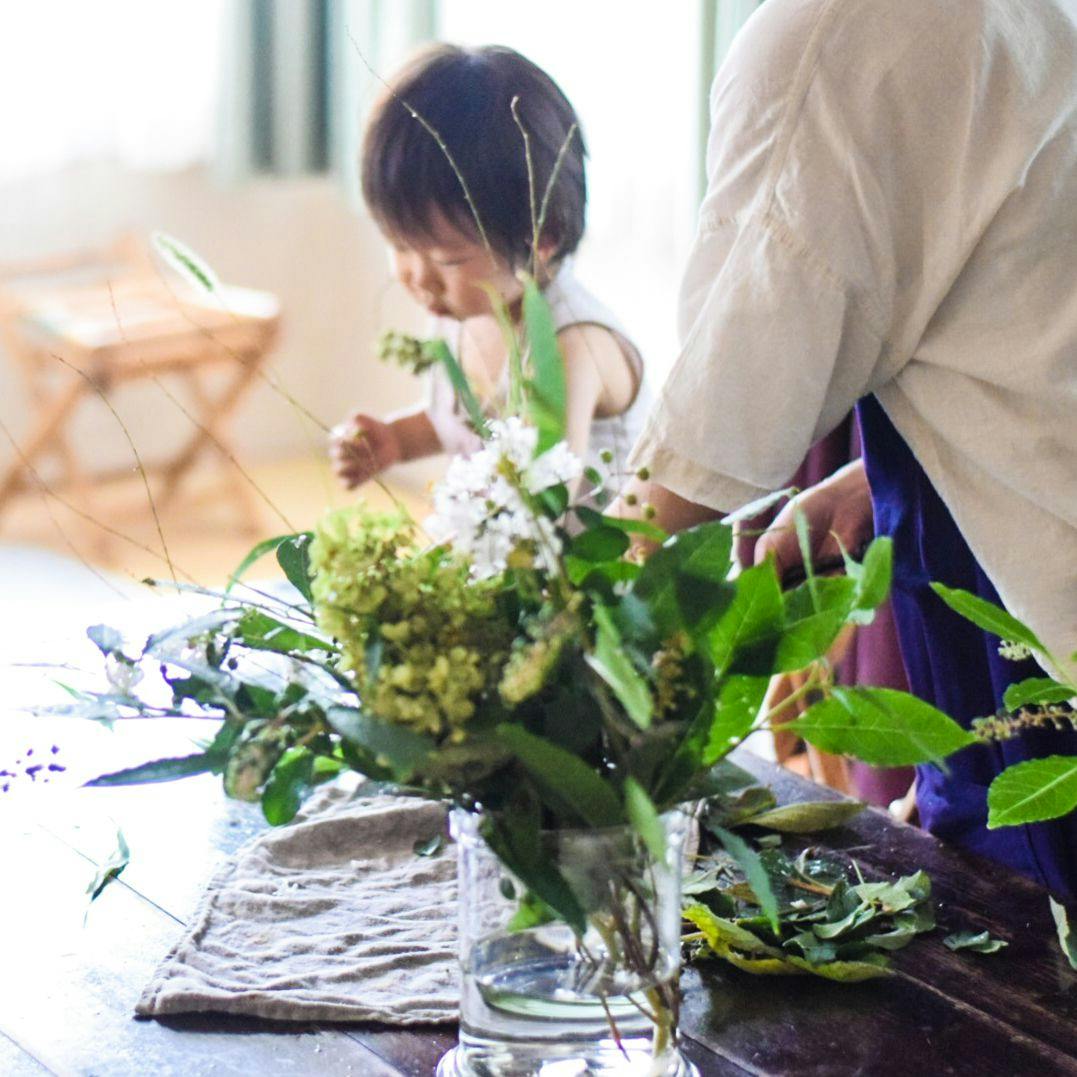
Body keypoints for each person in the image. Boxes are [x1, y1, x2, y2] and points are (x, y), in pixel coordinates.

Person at [619, 0, 1077, 898]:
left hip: (1045, 665)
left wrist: (515, 630)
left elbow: (704, 445)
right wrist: (877, 477)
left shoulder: (833, 33)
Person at [330, 44, 649, 496]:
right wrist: (397, 440)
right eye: (399, 246)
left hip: (584, 565)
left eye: (447, 259)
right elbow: (461, 424)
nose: (418, 278)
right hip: (499, 559)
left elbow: (546, 492)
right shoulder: (464, 310)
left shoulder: (570, 346)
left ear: (543, 235)